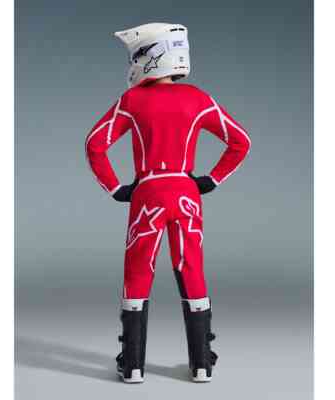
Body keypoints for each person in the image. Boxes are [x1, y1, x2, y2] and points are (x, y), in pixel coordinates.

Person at [85, 22, 251, 383]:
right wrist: (211, 179)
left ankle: (132, 365)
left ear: (147, 56)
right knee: (191, 268)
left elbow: (95, 144)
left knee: (138, 271)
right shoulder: (199, 99)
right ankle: (202, 363)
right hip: (187, 193)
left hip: (148, 194)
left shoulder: (132, 101)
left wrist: (115, 188)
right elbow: (240, 141)